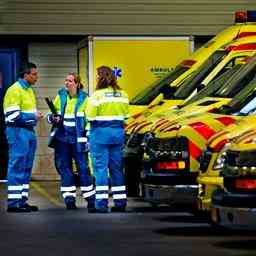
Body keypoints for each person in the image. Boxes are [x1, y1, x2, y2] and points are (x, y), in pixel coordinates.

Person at [47, 72, 95, 211]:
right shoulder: (61, 95)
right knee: (65, 169)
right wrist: (53, 118)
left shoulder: (85, 99)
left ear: (77, 83)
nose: (67, 83)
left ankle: (90, 200)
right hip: (62, 138)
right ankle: (69, 200)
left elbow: (88, 120)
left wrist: (88, 139)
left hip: (78, 140)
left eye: (70, 81)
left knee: (83, 169)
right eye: (66, 80)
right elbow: (51, 115)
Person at [85, 66, 130, 213]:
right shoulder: (123, 95)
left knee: (100, 170)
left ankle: (101, 204)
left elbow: (90, 117)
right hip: (117, 135)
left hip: (100, 135)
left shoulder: (96, 96)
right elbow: (126, 117)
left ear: (100, 78)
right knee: (117, 169)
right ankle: (120, 203)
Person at [3, 62, 44, 213]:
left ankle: (22, 200)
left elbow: (27, 114)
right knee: (17, 165)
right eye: (34, 74)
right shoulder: (15, 90)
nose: (36, 77)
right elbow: (12, 116)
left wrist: (34, 117)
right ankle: (14, 203)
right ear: (25, 75)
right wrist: (32, 116)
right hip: (17, 131)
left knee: (26, 168)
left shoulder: (29, 91)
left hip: (28, 131)